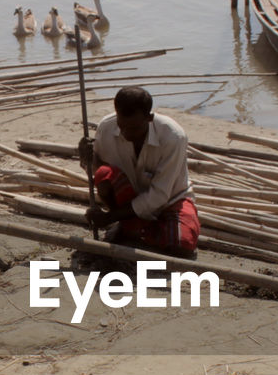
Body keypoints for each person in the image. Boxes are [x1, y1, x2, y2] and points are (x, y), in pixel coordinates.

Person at [78, 86, 200, 257]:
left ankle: (135, 229)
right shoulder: (106, 127)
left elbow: (159, 195)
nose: (126, 133)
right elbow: (97, 172)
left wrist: (109, 218)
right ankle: (130, 225)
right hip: (128, 199)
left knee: (182, 246)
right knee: (104, 174)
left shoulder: (173, 136)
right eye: (122, 126)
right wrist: (86, 159)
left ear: (149, 118)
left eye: (134, 128)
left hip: (171, 199)